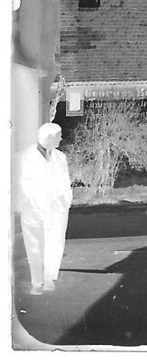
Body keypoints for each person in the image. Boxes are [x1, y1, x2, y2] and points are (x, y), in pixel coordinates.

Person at [18, 123, 73, 295]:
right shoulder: (24, 157)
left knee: (54, 241)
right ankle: (37, 281)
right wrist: (24, 204)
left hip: (56, 207)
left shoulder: (60, 157)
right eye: (59, 136)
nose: (61, 139)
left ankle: (49, 278)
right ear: (49, 137)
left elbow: (65, 181)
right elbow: (19, 183)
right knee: (34, 243)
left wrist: (66, 200)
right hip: (33, 207)